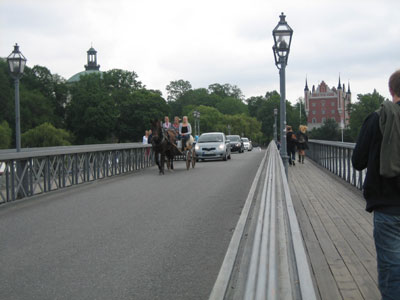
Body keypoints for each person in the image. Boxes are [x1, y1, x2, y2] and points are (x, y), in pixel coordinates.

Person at [352, 69, 400, 300]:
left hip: (387, 207)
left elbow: (358, 162)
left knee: (392, 272)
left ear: (391, 90)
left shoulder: (376, 119)